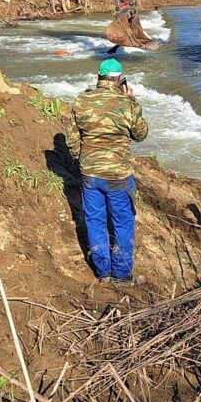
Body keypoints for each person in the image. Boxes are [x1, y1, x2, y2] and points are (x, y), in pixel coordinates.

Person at [66, 58, 148, 283]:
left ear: (98, 77)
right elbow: (141, 134)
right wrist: (132, 101)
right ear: (120, 79)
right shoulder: (126, 104)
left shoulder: (82, 100)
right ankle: (122, 274)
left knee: (94, 221)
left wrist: (81, 160)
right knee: (122, 223)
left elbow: (72, 139)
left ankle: (103, 272)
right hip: (117, 175)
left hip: (90, 173)